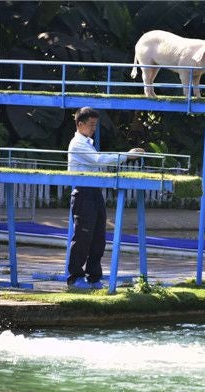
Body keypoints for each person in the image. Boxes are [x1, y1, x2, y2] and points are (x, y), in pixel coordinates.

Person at [67, 107, 144, 289]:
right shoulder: (77, 144)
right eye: (91, 125)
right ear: (80, 124)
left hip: (94, 192)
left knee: (98, 237)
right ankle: (74, 278)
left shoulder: (87, 142)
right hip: (83, 193)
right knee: (82, 237)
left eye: (95, 125)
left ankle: (93, 277)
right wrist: (126, 156)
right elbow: (97, 160)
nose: (94, 128)